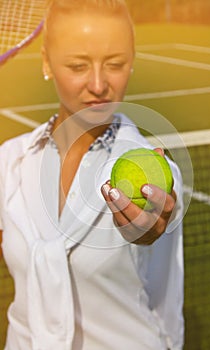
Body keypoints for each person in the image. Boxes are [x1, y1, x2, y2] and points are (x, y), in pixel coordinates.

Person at [0, 0, 184, 349]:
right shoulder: (7, 161)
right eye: (78, 65)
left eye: (115, 64)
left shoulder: (162, 175)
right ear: (46, 63)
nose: (99, 85)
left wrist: (146, 231)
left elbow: (164, 288)